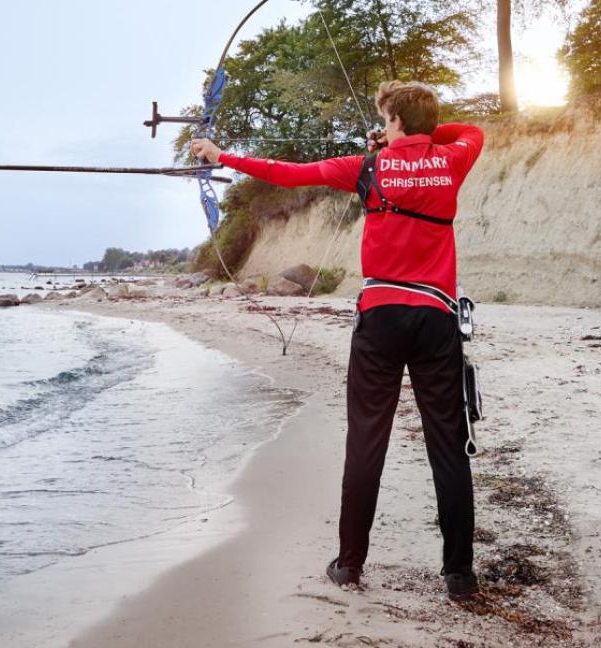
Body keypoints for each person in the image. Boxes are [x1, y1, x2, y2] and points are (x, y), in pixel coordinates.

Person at [190, 80, 485, 600]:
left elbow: (284, 174)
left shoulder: (366, 167)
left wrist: (221, 154)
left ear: (392, 120)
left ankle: (349, 565)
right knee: (447, 448)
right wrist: (419, 138)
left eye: (387, 117)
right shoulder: (453, 158)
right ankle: (458, 575)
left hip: (381, 316)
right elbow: (471, 130)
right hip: (436, 319)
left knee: (366, 442)